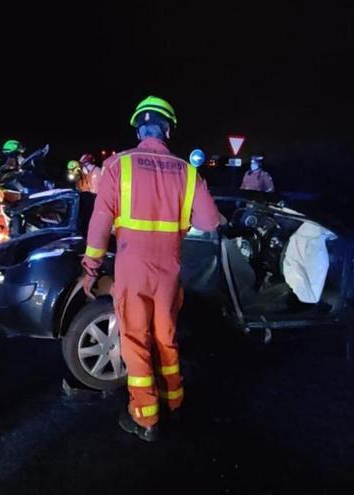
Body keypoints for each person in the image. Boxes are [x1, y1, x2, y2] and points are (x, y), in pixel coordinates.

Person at [80, 96, 221, 442]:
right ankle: (173, 401)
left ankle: (145, 418)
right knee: (165, 338)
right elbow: (210, 222)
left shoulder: (118, 166)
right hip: (169, 273)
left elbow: (99, 225)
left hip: (132, 270)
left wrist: (91, 269)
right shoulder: (189, 173)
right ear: (168, 128)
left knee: (134, 341)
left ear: (138, 128)